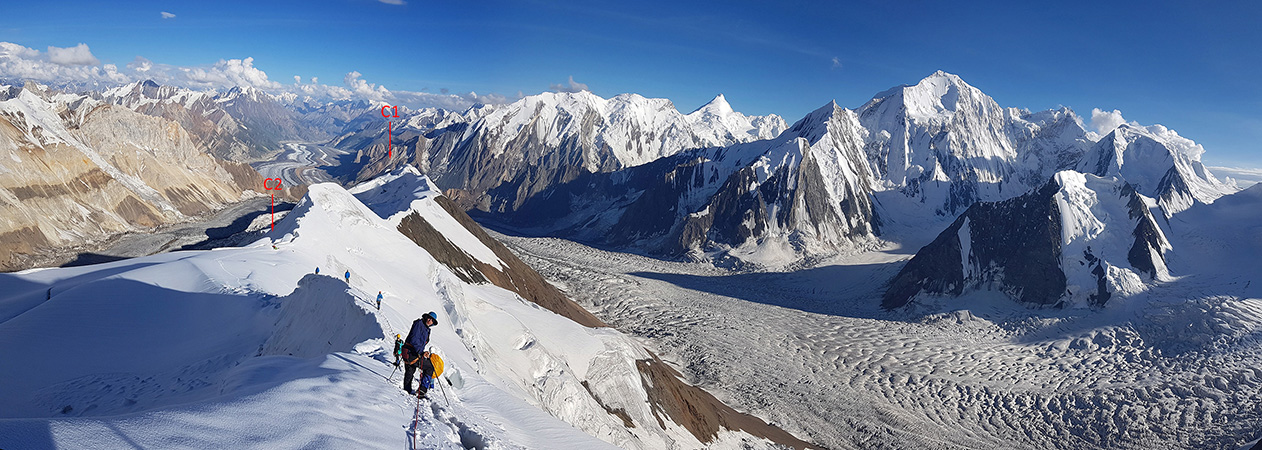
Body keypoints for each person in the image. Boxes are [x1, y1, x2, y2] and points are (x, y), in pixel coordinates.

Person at [402, 311, 438, 397]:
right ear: (426, 317)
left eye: (432, 320)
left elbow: (418, 342)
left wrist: (422, 352)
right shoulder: (419, 324)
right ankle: (423, 389)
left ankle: (406, 391)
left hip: (408, 352)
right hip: (412, 353)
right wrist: (421, 353)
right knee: (430, 367)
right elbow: (414, 340)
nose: (430, 320)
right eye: (429, 318)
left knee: (410, 371)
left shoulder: (425, 328)